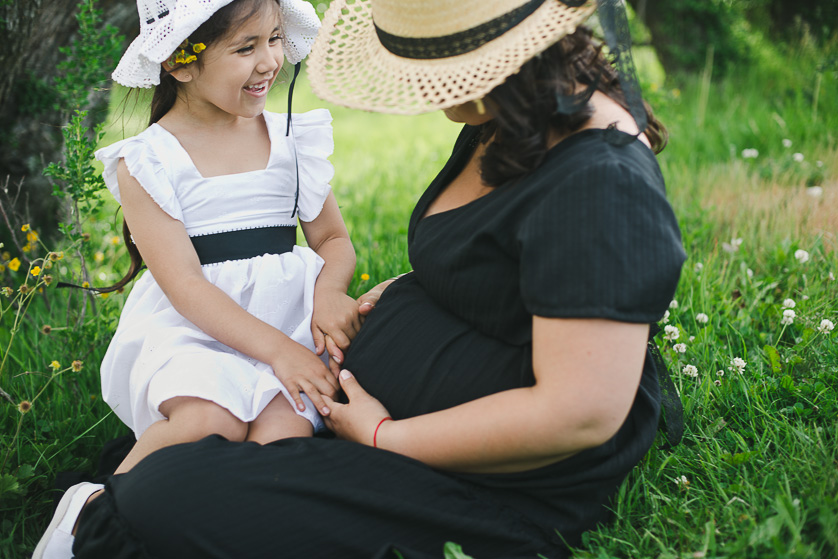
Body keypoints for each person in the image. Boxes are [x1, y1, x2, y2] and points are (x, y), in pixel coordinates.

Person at [68, 0, 686, 557]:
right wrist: (413, 292)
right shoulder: (509, 111)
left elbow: (579, 413)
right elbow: (508, 266)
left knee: (160, 501)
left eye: (431, 62)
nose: (421, 88)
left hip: (471, 472)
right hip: (353, 404)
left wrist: (387, 436)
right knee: (185, 460)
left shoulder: (604, 182)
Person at [34, 0, 358, 557]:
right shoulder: (149, 160)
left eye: (276, 39)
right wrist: (280, 352)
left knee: (284, 437)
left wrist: (328, 293)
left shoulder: (289, 141)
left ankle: (224, 531)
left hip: (287, 325)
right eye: (245, 47)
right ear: (181, 64)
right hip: (196, 330)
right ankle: (96, 511)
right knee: (210, 418)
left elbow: (333, 240)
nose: (269, 61)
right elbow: (185, 287)